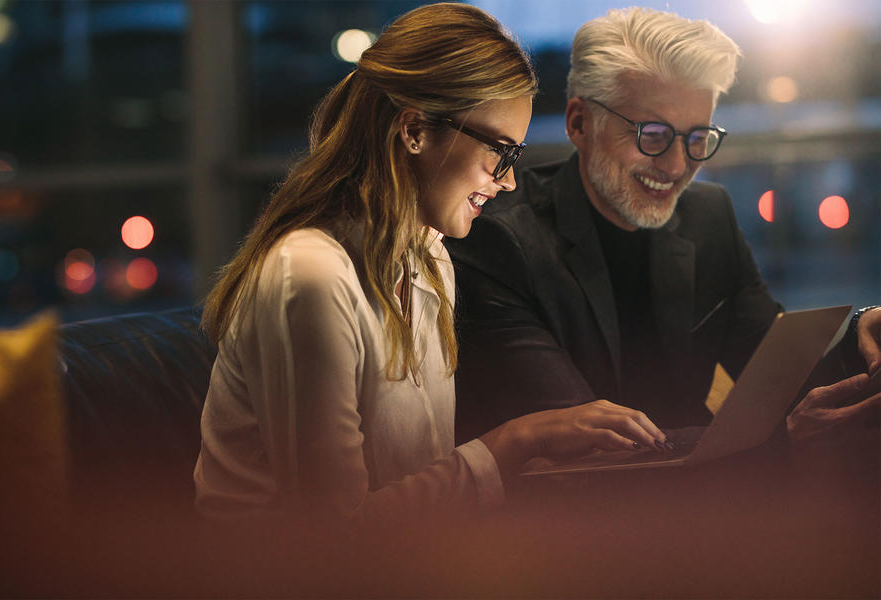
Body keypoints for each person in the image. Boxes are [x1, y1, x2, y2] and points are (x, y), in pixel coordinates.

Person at [193, 3, 668, 534]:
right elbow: (335, 539)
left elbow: (415, 500)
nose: (507, 181)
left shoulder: (429, 258)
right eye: (500, 153)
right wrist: (516, 443)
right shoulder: (310, 275)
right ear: (415, 129)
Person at [443, 7, 881, 444]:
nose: (677, 166)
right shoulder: (499, 240)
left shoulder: (708, 215)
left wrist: (856, 341)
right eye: (651, 134)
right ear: (579, 123)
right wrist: (773, 442)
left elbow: (776, 371)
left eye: (697, 138)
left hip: (708, 495)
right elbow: (582, 446)